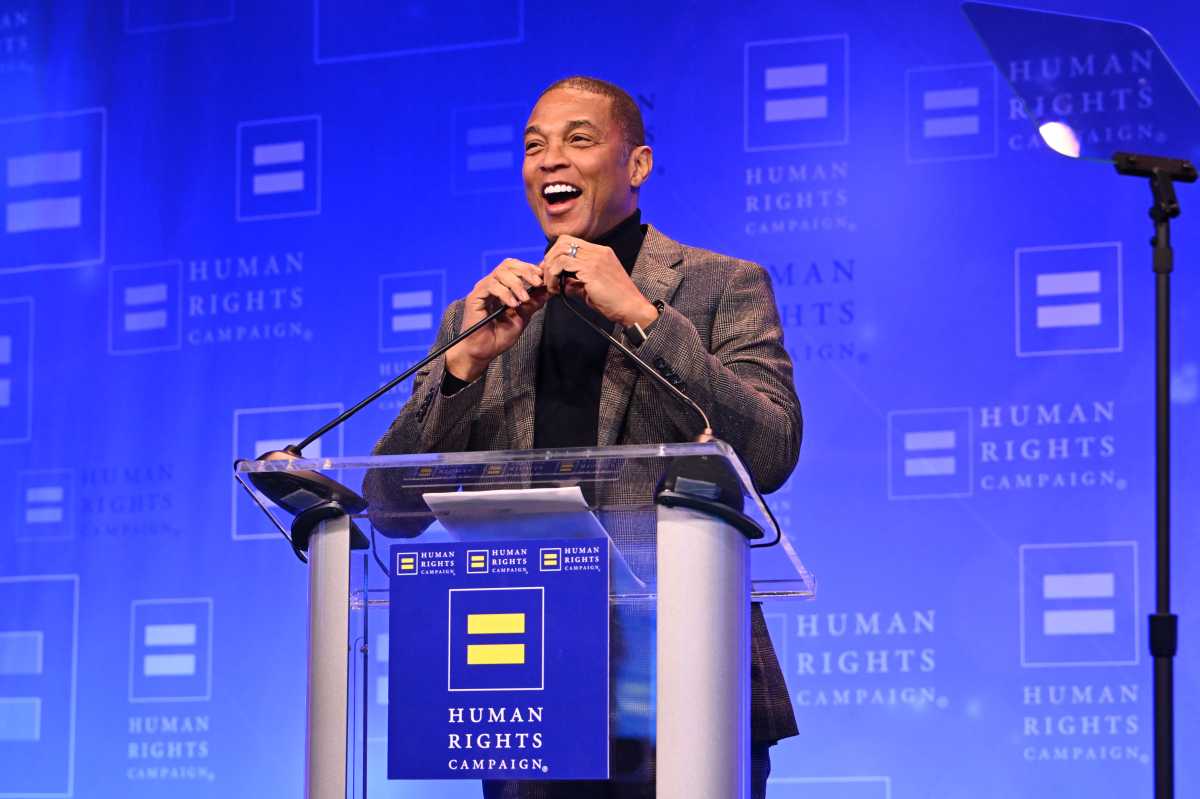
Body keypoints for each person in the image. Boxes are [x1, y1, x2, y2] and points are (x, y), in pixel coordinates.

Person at [370, 76, 801, 798]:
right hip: (522, 690)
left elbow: (770, 450)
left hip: (680, 683)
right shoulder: (481, 314)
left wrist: (644, 318)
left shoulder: (722, 286)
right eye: (535, 146)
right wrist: (462, 366)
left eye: (579, 139)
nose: (550, 160)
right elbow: (389, 504)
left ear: (637, 165)